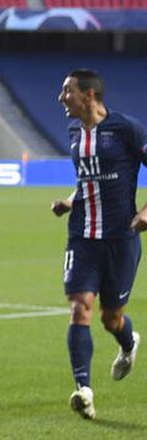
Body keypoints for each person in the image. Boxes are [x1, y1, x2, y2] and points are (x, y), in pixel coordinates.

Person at [51, 69, 147, 419]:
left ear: (89, 95)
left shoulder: (125, 129)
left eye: (67, 91)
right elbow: (88, 181)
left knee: (111, 318)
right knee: (80, 308)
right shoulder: (75, 133)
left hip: (121, 239)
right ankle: (83, 390)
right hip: (82, 238)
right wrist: (70, 201)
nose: (62, 98)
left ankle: (128, 342)